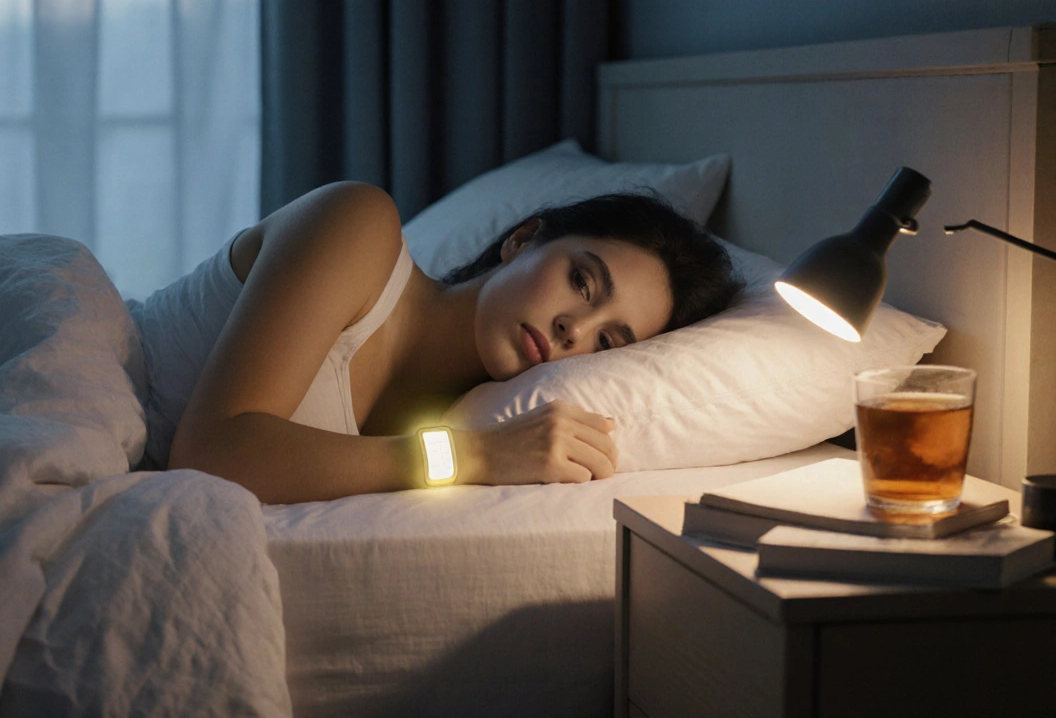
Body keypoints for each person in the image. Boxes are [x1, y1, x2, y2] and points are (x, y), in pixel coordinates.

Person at [129, 181, 742, 504]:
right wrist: (472, 457)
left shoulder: (466, 413)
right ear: (523, 240)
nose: (573, 330)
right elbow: (210, 452)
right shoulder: (358, 226)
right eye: (581, 281)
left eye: (607, 342)